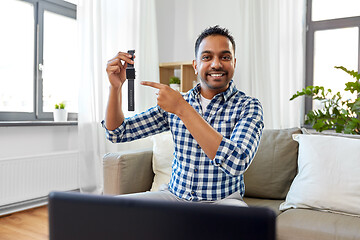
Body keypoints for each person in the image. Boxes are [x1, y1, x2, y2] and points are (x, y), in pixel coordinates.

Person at [102, 25, 264, 207]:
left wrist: (181, 108)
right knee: (109, 209)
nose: (216, 64)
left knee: (244, 225)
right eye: (207, 57)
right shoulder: (177, 102)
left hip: (224, 202)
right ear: (196, 65)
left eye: (225, 57)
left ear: (234, 62)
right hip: (174, 197)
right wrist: (115, 88)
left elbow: (237, 162)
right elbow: (118, 132)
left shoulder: (249, 106)